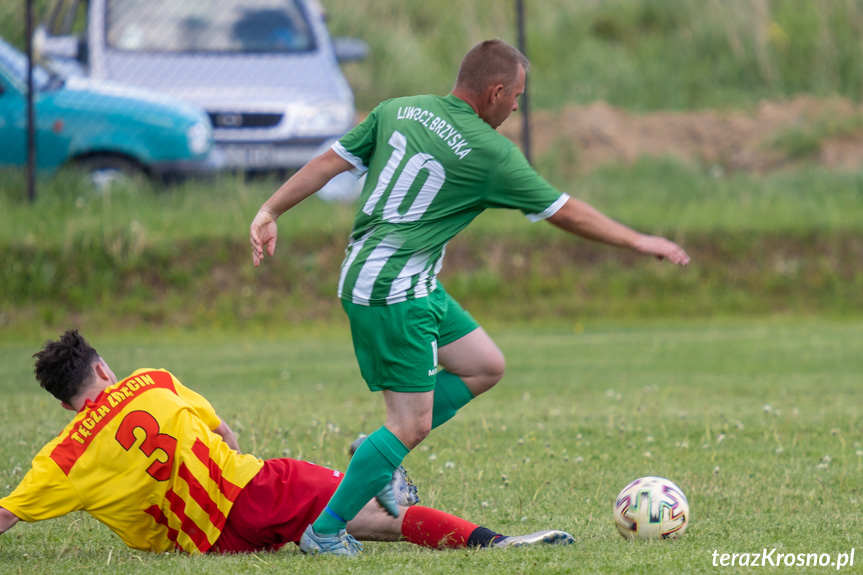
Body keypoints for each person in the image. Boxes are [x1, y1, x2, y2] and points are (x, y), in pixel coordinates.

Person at [249, 38, 690, 556]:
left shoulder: (399, 109)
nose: (518, 107)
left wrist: (269, 210)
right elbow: (564, 211)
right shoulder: (491, 152)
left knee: (484, 364)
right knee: (409, 424)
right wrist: (640, 241)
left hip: (399, 279)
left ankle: (376, 451)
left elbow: (330, 162)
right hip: (393, 291)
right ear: (496, 92)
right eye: (517, 96)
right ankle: (325, 530)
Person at [0, 330, 573, 555]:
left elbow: (8, 515)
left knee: (354, 520)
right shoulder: (149, 381)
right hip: (254, 491)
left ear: (63, 402)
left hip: (208, 545)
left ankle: (370, 496)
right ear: (103, 368)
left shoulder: (63, 458)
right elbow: (224, 432)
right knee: (374, 513)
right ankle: (497, 543)